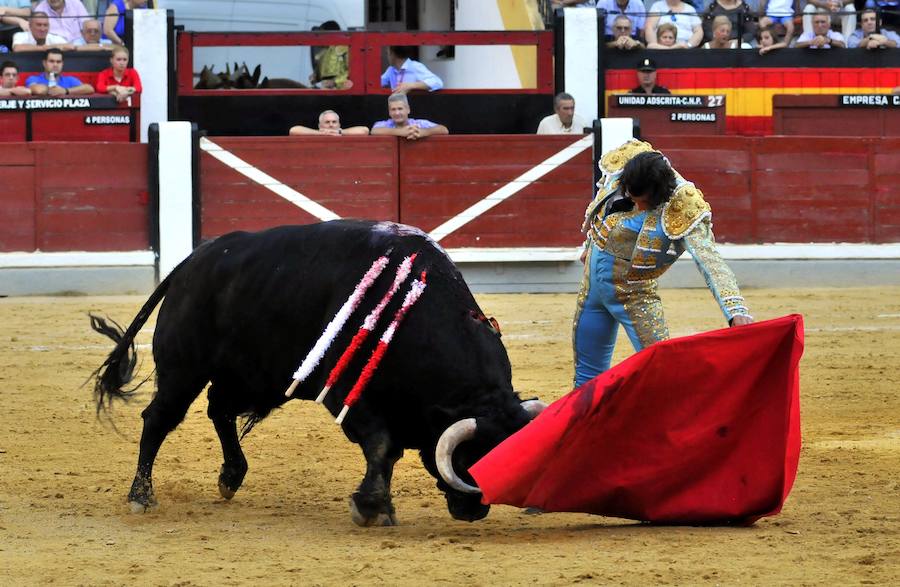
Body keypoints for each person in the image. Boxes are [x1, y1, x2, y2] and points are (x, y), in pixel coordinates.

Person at [573, 140, 753, 386]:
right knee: (586, 376)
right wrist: (588, 243)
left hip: (634, 295)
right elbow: (602, 205)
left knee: (663, 372)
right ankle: (585, 424)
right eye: (631, 196)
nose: (636, 205)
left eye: (643, 202)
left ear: (659, 195)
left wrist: (736, 310)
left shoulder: (684, 206)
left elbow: (711, 262)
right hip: (592, 287)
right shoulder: (628, 165)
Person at [370, 92, 448, 140]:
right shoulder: (385, 124)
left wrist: (423, 132)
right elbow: (374, 131)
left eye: (400, 109)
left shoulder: (419, 123)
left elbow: (444, 130)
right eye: (393, 109)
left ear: (408, 110)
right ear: (389, 112)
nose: (397, 113)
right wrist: (401, 132)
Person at [25, 47, 93, 95]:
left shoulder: (69, 80)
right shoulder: (34, 79)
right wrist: (53, 90)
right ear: (44, 63)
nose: (55, 64)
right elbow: (38, 91)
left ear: (62, 64)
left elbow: (89, 88)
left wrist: (65, 91)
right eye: (51, 61)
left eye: (58, 62)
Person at [308, 20, 352, 90]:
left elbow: (351, 71)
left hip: (343, 93)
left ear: (332, 34)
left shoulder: (345, 49)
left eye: (323, 35)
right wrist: (315, 77)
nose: (321, 38)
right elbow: (326, 72)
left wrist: (335, 82)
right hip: (327, 92)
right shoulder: (326, 50)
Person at [289, 110, 369, 136]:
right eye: (327, 122)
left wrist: (340, 132)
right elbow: (293, 130)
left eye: (334, 122)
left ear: (339, 124)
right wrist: (320, 133)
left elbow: (364, 130)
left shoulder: (341, 132)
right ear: (319, 125)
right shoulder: (317, 133)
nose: (331, 125)